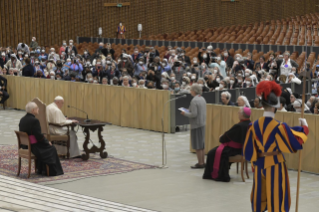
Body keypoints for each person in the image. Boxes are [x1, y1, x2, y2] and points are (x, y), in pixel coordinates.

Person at [243, 80, 308, 212]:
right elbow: (293, 143)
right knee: (277, 198)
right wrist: (304, 128)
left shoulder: (253, 125)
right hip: (275, 165)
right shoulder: (279, 127)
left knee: (259, 197)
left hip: (259, 165)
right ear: (275, 107)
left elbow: (248, 151)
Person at [203, 107, 251, 181]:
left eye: (239, 113)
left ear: (242, 115)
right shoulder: (249, 123)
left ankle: (215, 174)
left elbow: (226, 137)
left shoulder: (239, 126)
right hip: (242, 149)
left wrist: (221, 137)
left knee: (211, 153)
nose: (238, 114)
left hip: (235, 149)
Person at [19, 102, 63, 176]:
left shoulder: (22, 119)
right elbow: (39, 136)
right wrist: (47, 142)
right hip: (33, 146)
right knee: (51, 148)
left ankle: (40, 170)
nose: (38, 110)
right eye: (37, 108)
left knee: (45, 147)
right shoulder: (34, 121)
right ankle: (52, 171)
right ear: (33, 110)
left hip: (25, 145)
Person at [181, 84, 207, 168]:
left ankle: (200, 163)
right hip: (202, 123)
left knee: (197, 145)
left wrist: (185, 113)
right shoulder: (202, 98)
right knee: (201, 145)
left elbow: (194, 114)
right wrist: (189, 110)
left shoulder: (194, 100)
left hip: (196, 125)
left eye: (191, 90)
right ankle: (202, 162)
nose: (190, 91)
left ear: (194, 91)